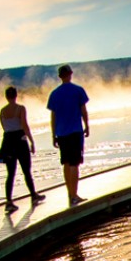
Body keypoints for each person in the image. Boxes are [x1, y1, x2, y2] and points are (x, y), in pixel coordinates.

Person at [47, 64, 90, 203]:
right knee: (74, 164)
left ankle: (69, 194)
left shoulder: (54, 94)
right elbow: (83, 111)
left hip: (62, 133)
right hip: (75, 131)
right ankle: (74, 195)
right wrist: (87, 125)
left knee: (66, 163)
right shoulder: (78, 90)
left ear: (60, 76)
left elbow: (53, 117)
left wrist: (53, 134)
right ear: (71, 74)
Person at [0, 86, 40, 212]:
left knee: (10, 174)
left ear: (6, 96)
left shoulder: (2, 111)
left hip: (8, 142)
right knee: (26, 170)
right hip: (20, 140)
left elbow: (4, 127)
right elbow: (25, 125)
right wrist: (31, 141)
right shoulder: (20, 108)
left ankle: (9, 201)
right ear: (16, 95)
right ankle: (33, 196)